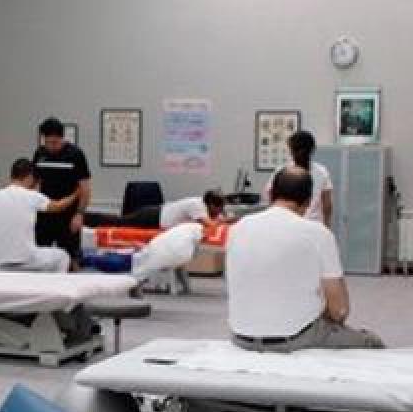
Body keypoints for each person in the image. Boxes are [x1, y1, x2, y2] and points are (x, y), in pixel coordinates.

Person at [227, 166, 383, 352]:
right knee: (371, 341)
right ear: (309, 202)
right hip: (297, 338)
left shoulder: (237, 229)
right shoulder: (318, 234)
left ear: (271, 194)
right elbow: (339, 310)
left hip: (241, 337)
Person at [0, 158, 77, 272]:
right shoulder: (32, 196)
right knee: (63, 257)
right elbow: (58, 206)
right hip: (24, 260)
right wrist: (76, 193)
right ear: (29, 176)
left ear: (11, 176)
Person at [32, 117, 91, 269]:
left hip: (68, 215)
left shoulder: (75, 154)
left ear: (62, 138)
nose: (51, 146)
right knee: (40, 256)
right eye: (47, 142)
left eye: (54, 142)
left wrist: (79, 214)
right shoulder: (40, 154)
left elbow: (85, 187)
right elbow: (34, 183)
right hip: (45, 214)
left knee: (71, 259)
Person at [261, 130, 333, 225]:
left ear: (291, 150)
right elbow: (327, 205)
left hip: (286, 223)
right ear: (312, 150)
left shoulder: (282, 171)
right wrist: (326, 227)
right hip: (313, 224)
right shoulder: (321, 172)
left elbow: (269, 196)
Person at [92, 190, 228, 229]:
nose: (220, 212)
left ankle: (89, 218)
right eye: (219, 208)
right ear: (211, 205)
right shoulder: (197, 206)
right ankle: (89, 218)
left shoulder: (202, 204)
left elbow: (215, 220)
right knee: (118, 222)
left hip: (156, 214)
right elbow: (210, 225)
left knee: (119, 221)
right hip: (152, 217)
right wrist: (227, 221)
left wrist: (224, 219)